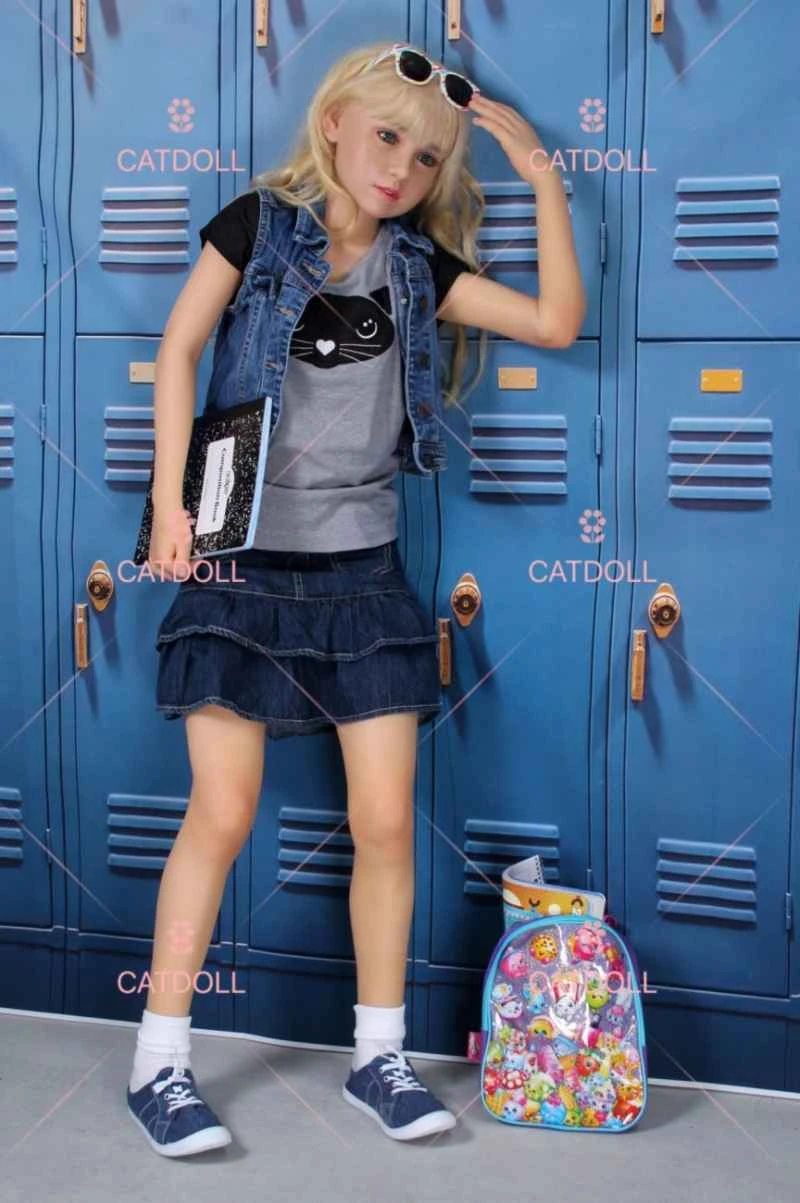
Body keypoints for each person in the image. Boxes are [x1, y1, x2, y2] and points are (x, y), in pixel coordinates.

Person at [126, 40, 585, 1156]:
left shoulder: (418, 269)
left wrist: (541, 179)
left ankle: (377, 1056)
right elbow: (179, 351)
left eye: (427, 159)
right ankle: (159, 1063)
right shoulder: (255, 226)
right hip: (237, 562)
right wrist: (171, 505)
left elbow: (556, 324)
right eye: (386, 137)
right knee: (222, 811)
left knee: (384, 821)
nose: (401, 169)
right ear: (333, 123)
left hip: (360, 571)